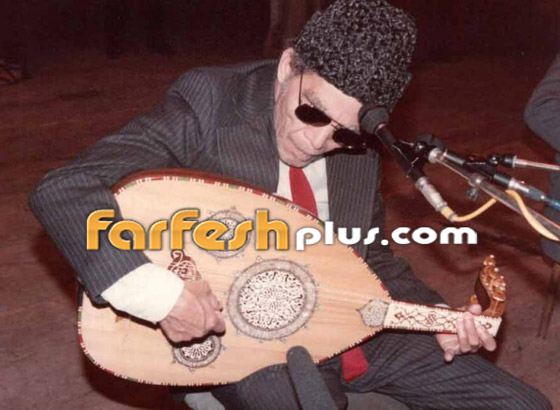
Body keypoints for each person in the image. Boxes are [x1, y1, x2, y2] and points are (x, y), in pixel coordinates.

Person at [30, 0, 551, 409]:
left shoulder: (361, 141)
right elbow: (65, 187)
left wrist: (434, 316)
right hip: (248, 344)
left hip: (353, 327)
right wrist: (158, 295)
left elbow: (369, 257)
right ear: (286, 68)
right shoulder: (211, 104)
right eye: (312, 112)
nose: (320, 141)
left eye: (345, 132)